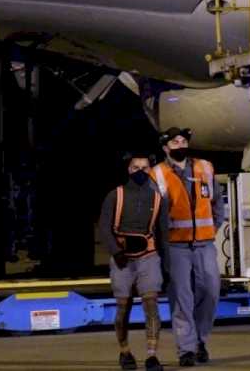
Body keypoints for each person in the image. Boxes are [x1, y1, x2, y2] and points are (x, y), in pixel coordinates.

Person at [151, 127, 223, 367]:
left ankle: (200, 340)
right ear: (165, 148)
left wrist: (213, 228)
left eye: (183, 141)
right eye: (175, 142)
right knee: (182, 299)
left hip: (205, 243)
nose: (181, 145)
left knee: (211, 291)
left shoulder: (205, 167)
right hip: (176, 246)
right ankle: (186, 350)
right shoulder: (157, 174)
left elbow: (217, 202)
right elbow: (154, 214)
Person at [99, 152, 168, 371]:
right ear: (128, 169)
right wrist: (116, 251)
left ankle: (152, 355)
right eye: (135, 167)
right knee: (123, 308)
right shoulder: (115, 195)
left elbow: (163, 233)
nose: (140, 171)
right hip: (122, 258)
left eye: (145, 167)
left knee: (151, 305)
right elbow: (104, 226)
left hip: (148, 256)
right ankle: (125, 351)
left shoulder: (158, 199)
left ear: (150, 170)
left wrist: (166, 265)